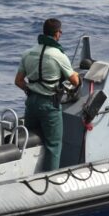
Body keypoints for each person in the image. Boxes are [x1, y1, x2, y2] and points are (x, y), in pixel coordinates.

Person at [14, 18, 80, 171]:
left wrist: (29, 89)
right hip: (49, 106)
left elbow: (18, 81)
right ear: (57, 34)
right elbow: (75, 81)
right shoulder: (59, 56)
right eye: (60, 31)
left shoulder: (27, 53)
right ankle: (50, 180)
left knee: (28, 141)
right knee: (54, 145)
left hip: (31, 104)